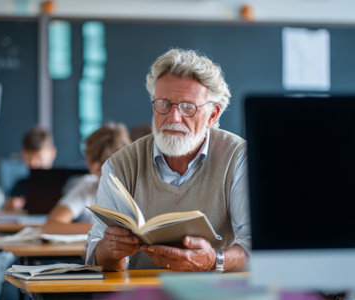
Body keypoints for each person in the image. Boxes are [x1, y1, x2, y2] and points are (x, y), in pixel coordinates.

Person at [85, 48, 250, 272]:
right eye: (164, 104)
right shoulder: (120, 164)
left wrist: (214, 260)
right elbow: (95, 256)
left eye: (187, 108)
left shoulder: (237, 156)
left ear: (212, 115)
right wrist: (111, 250)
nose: (173, 118)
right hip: (140, 295)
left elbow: (255, 247)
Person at [42, 123, 131, 230]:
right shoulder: (87, 186)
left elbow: (50, 226)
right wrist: (105, 232)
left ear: (90, 164)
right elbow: (51, 226)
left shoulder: (87, 188)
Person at [3, 126, 57, 211]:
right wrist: (8, 208)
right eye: (28, 159)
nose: (33, 164)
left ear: (52, 153)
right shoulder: (19, 187)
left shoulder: (69, 185)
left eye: (39, 158)